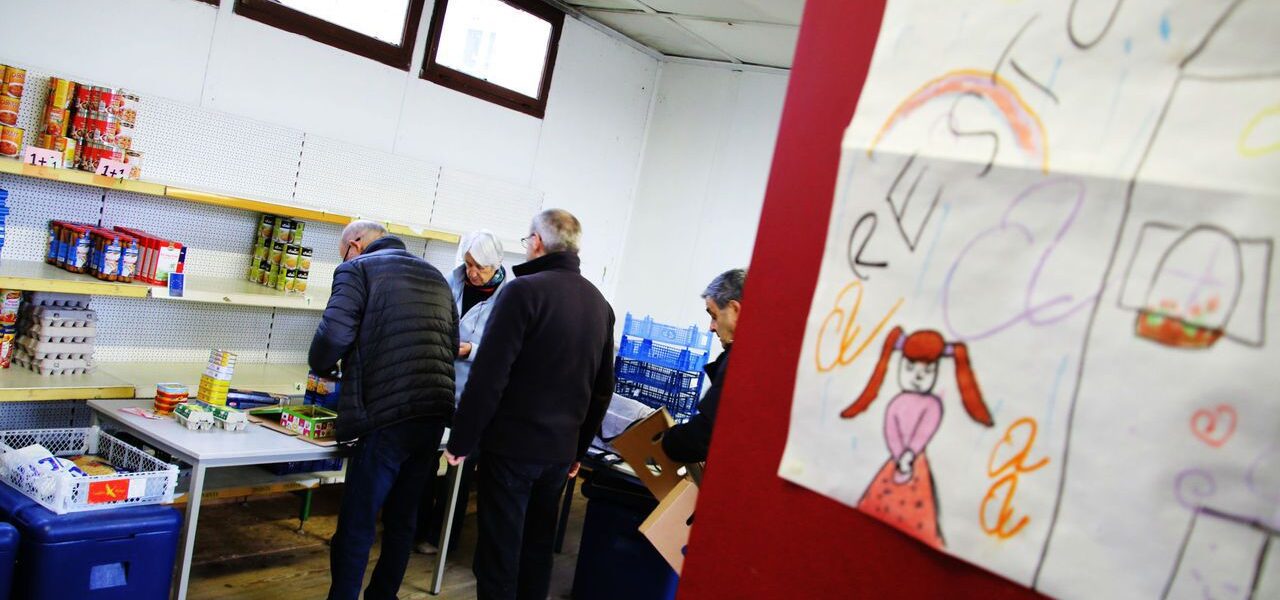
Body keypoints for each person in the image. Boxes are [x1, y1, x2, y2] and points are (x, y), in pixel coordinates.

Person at [445, 209, 615, 600]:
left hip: (512, 449)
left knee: (499, 555)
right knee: (537, 551)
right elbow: (602, 388)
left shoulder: (523, 292)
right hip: (559, 453)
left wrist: (462, 440)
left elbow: (490, 375)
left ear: (536, 242)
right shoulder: (599, 304)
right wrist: (578, 450)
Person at [309, 220, 459, 600]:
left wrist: (321, 367)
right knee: (402, 519)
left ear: (356, 244)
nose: (343, 260)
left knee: (358, 522)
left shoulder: (357, 270)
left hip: (384, 415)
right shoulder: (436, 277)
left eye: (343, 253)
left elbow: (333, 335)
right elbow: (451, 344)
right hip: (432, 413)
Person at [416, 230, 509, 555]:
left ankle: (441, 537)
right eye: (469, 264)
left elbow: (507, 353)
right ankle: (414, 527)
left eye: (480, 267)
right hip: (437, 387)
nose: (472, 272)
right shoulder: (451, 281)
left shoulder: (509, 297)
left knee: (459, 470)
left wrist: (471, 350)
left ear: (496, 265)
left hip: (473, 396)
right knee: (423, 462)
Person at [661, 268, 746, 464]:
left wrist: (669, 440)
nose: (711, 327)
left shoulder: (740, 363)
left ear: (735, 310)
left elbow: (701, 437)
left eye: (714, 316)